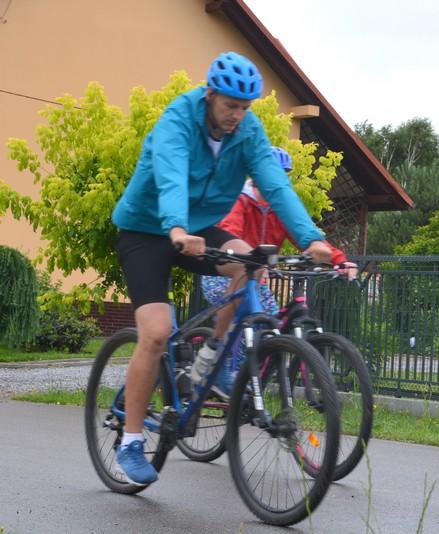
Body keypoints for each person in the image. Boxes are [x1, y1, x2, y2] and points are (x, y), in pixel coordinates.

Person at [111, 51, 333, 486]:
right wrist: (176, 226)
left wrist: (311, 237)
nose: (238, 115)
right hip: (146, 230)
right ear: (210, 94)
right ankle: (131, 440)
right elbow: (171, 175)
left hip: (198, 227)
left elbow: (275, 184)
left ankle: (213, 352)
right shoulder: (178, 120)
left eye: (245, 107)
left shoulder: (247, 130)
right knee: (156, 333)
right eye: (231, 105)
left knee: (249, 261)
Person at [199, 146, 356, 399]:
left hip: (255, 279)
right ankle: (219, 369)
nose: (278, 178)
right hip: (222, 273)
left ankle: (249, 390)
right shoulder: (240, 199)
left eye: (283, 173)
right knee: (245, 318)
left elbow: (308, 239)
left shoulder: (281, 209)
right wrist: (251, 257)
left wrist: (340, 261)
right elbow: (229, 232)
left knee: (271, 326)